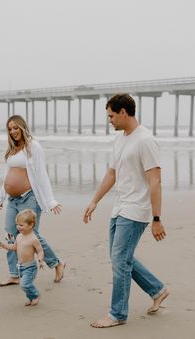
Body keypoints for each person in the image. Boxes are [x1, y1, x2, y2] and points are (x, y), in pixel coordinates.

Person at [83, 93, 169, 328]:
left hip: (136, 210)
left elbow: (155, 182)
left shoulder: (146, 140)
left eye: (111, 115)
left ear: (123, 112)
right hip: (120, 207)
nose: (109, 120)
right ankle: (157, 290)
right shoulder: (120, 139)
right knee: (120, 258)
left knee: (119, 260)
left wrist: (157, 218)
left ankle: (118, 313)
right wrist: (95, 201)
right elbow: (112, 174)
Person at [0, 114, 65, 287]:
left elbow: (42, 175)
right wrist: (1, 197)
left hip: (29, 198)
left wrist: (51, 201)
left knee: (31, 236)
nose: (13, 131)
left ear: (22, 127)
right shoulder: (12, 149)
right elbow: (7, 176)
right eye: (10, 129)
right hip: (12, 200)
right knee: (11, 235)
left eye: (15, 127)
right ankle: (14, 274)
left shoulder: (33, 147)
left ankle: (56, 263)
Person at [0, 209, 44, 306]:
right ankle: (31, 298)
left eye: (21, 225)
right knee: (25, 286)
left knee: (24, 284)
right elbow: (14, 247)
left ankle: (36, 295)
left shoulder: (33, 239)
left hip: (30, 267)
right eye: (17, 224)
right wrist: (4, 246)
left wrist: (40, 260)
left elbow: (40, 250)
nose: (18, 227)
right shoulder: (19, 237)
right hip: (21, 267)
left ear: (31, 225)